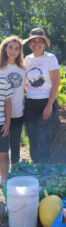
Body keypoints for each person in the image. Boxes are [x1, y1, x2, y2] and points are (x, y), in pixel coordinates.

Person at [23, 28, 60, 163]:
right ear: (29, 43)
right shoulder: (27, 59)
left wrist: (49, 105)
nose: (37, 43)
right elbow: (25, 82)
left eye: (40, 41)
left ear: (44, 43)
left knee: (44, 136)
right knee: (32, 135)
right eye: (33, 41)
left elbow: (56, 82)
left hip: (46, 102)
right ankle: (36, 165)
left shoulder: (50, 58)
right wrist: (30, 92)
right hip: (31, 103)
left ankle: (44, 168)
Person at [0, 36, 25, 166]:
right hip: (1, 115)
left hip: (17, 112)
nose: (13, 51)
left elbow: (26, 87)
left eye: (17, 48)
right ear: (4, 48)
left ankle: (14, 169)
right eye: (10, 47)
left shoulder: (22, 68)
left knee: (15, 143)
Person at [0, 39, 15, 185]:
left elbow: (8, 104)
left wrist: (8, 123)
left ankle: (4, 180)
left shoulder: (3, 80)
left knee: (4, 154)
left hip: (2, 124)